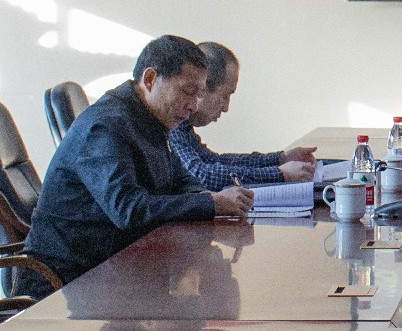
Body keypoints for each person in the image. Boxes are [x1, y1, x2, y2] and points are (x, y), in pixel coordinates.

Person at [19, 35, 247, 297]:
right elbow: (128, 210)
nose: (193, 105)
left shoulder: (153, 118)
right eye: (187, 91)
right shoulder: (106, 125)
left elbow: (181, 179)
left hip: (115, 269)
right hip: (65, 283)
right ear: (150, 79)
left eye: (199, 94)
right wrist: (210, 203)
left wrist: (204, 197)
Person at [170, 41, 319, 194]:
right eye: (225, 95)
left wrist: (280, 158)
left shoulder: (183, 125)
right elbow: (201, 175)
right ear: (203, 88)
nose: (226, 107)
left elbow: (215, 161)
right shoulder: (171, 122)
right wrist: (280, 174)